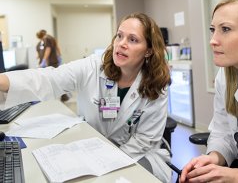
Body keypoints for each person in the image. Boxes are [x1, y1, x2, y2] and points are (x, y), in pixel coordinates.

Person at [0, 12, 172, 182]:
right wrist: (3, 81)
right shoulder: (93, 67)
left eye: (133, 39)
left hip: (138, 154)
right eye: (119, 36)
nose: (121, 44)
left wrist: (106, 163)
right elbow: (50, 79)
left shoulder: (156, 86)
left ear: (149, 51)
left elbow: (143, 141)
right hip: (92, 148)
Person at [179, 0, 238, 183]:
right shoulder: (226, 77)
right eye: (213, 29)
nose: (213, 40)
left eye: (225, 29)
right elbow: (223, 133)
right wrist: (213, 157)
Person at [36, 29, 69, 102]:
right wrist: (59, 56)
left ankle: (64, 96)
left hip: (51, 63)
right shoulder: (45, 41)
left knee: (55, 80)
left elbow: (48, 49)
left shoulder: (47, 39)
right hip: (50, 63)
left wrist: (44, 60)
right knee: (55, 80)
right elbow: (57, 47)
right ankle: (64, 96)